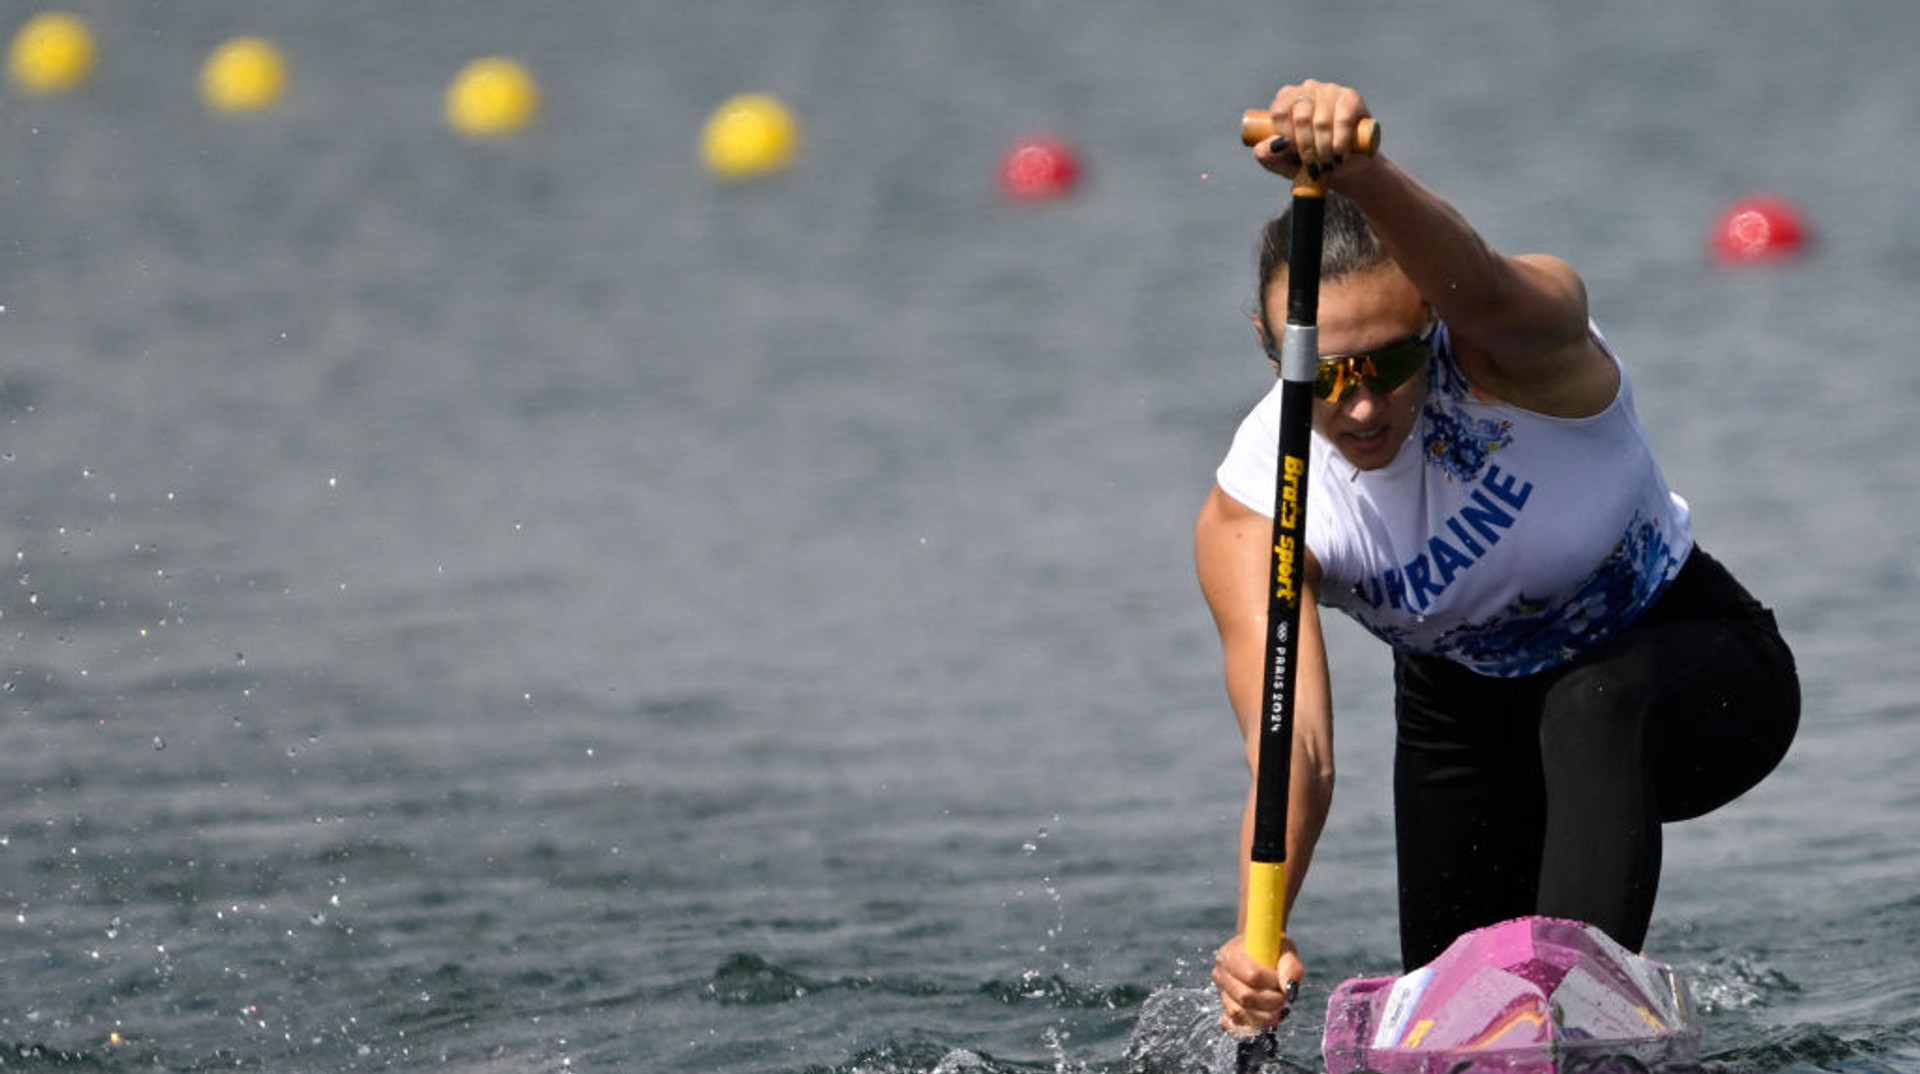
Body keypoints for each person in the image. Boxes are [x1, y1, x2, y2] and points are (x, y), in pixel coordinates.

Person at [1199, 80, 1800, 1035]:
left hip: (1690, 670)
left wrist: (1362, 172)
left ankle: (1580, 1016)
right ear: (1280, 362)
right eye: (1328, 376)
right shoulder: (1259, 509)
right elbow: (1295, 748)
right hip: (1463, 726)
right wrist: (1255, 940)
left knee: (1591, 703)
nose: (1361, 407)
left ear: (1431, 326)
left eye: (1391, 363)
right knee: (1452, 1015)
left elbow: (1478, 279)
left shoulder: (1519, 351)